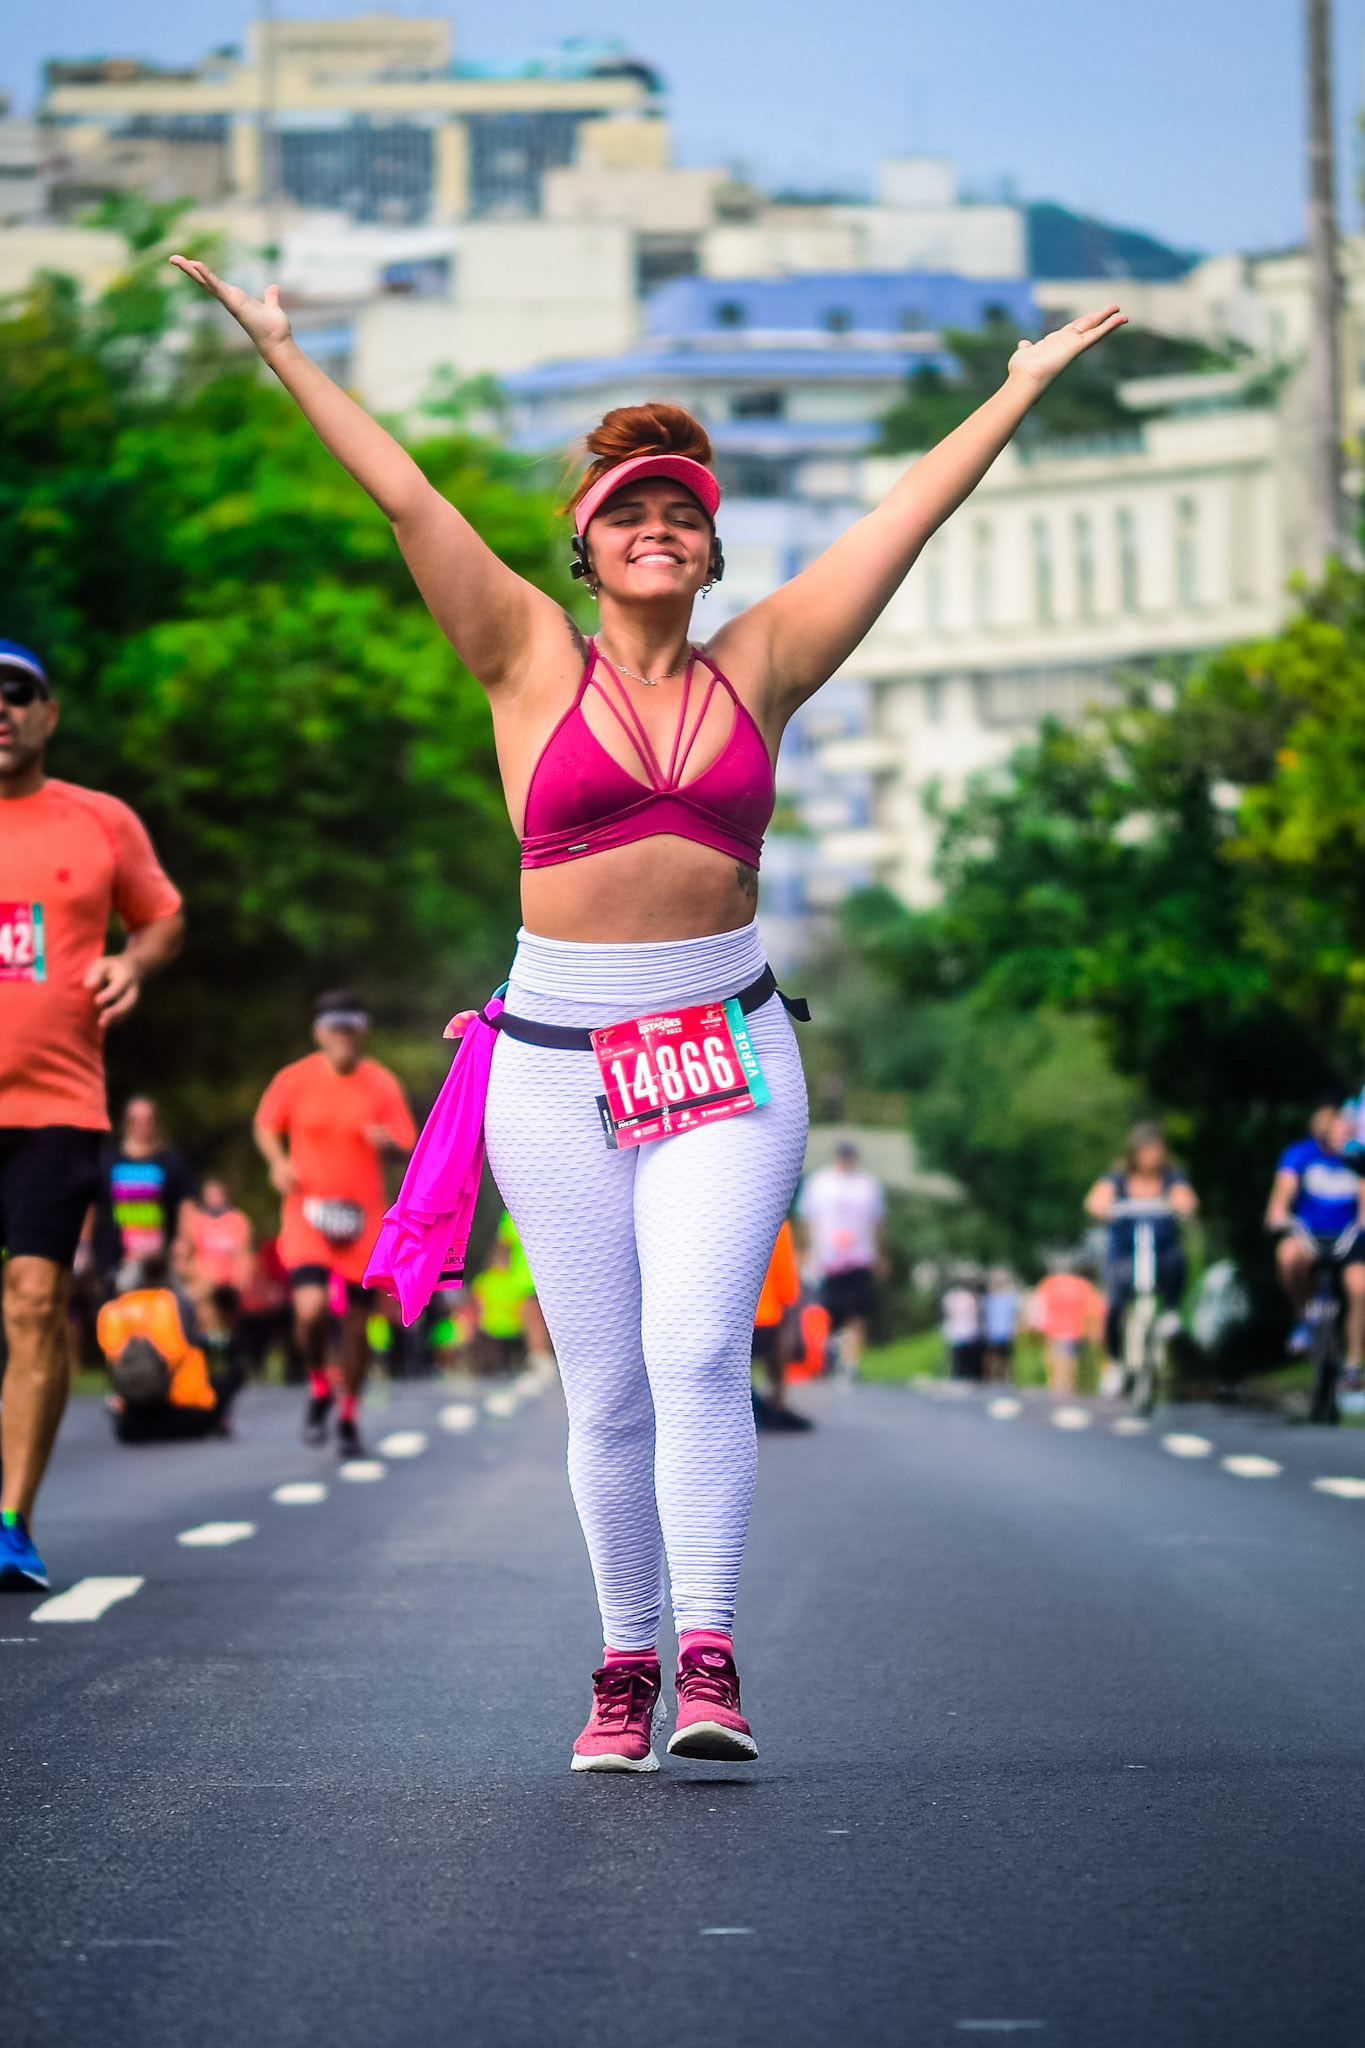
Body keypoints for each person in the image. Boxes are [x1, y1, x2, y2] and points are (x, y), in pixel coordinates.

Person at [173, 241, 1124, 1769]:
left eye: (686, 513)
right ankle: (622, 1663)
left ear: (712, 550)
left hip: (728, 1051)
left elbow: (904, 514)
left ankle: (710, 1657)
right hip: (555, 1062)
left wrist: (1013, 391)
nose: (662, 529)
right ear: (588, 550)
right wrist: (284, 350)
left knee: (697, 1356)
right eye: (634, 514)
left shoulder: (767, 666)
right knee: (604, 1385)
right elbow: (410, 501)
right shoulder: (523, 664)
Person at [0, 640, 183, 1589]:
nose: (0, 709)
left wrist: (133, 963)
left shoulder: (99, 821)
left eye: (15, 694)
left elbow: (159, 915)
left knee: (35, 1306)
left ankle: (11, 1521)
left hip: (55, 1106)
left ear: (47, 714)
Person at [254, 992, 416, 1458]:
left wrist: (389, 1142)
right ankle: (320, 1383)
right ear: (320, 1033)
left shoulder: (380, 1083)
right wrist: (277, 1162)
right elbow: (266, 1124)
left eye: (351, 1029)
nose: (343, 1038)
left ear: (361, 1033)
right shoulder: (296, 1079)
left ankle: (348, 1411)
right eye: (334, 1029)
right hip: (308, 1217)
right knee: (310, 1310)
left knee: (359, 1326)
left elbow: (408, 1141)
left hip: (362, 1222)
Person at [1085, 1122, 1198, 1393]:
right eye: (1147, 1151)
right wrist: (1106, 1208)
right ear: (1134, 1153)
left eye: (1157, 1150)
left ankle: (1171, 1310)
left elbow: (1187, 1201)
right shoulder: (1117, 1179)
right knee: (1113, 1305)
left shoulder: (1172, 1178)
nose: (1153, 1157)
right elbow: (1095, 1202)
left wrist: (1179, 1205)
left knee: (1177, 1263)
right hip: (1125, 1254)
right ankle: (1115, 1361)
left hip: (1161, 1252)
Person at [1266, 1099, 1365, 1389]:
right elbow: (1283, 1191)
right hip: (1309, 1235)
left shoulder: (1356, 1157)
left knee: (1359, 1287)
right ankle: (1304, 1317)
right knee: (1287, 1255)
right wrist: (1277, 1214)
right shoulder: (1300, 1154)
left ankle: (1353, 1364)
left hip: (1349, 1238)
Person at [96, 1253, 237, 1442]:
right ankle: (219, 1420)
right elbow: (199, 1341)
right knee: (232, 1371)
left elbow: (111, 1356)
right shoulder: (176, 1303)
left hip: (131, 1423)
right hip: (186, 1414)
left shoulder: (112, 1311)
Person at [798, 1140, 887, 1375]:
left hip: (859, 1258)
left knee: (856, 1314)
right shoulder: (819, 1183)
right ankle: (826, 1356)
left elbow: (877, 1223)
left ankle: (850, 1361)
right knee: (827, 1313)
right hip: (828, 1260)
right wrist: (807, 1252)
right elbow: (808, 1220)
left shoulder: (867, 1185)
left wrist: (879, 1254)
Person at [92, 1095, 197, 1292]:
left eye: (148, 1119)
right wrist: (84, 1246)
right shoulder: (107, 1161)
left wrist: (185, 1242)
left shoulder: (171, 1162)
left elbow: (186, 1205)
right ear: (126, 1123)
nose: (142, 1125)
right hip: (114, 1259)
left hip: (159, 1262)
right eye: (136, 1119)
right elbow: (91, 1206)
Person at [750, 1218, 811, 1431]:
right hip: (766, 1315)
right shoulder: (776, 1224)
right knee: (775, 1363)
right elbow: (786, 1280)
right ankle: (777, 1404)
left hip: (734, 1314)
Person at [1028, 1264, 1104, 1398]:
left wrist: (1034, 1325)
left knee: (1054, 1358)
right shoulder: (1082, 1285)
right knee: (1070, 1359)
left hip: (1052, 1328)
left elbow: (1038, 1305)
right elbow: (1093, 1309)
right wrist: (1092, 1330)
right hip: (1074, 1328)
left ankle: (1057, 1386)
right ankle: (1068, 1386)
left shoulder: (1050, 1283)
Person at [188, 1177, 254, 1298]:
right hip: (205, 1279)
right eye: (210, 1195)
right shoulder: (197, 1220)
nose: (214, 1199)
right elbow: (189, 1253)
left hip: (230, 1280)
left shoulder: (237, 1219)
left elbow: (244, 1254)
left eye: (217, 1194)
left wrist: (241, 1280)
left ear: (225, 1195)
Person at [942, 1276, 984, 1380]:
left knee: (959, 1358)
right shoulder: (968, 1297)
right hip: (963, 1331)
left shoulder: (954, 1297)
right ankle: (960, 1376)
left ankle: (958, 1376)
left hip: (963, 1331)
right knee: (961, 1358)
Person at [982, 1269, 1018, 1381]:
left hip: (1000, 1332)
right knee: (996, 1357)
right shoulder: (991, 1299)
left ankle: (1000, 1378)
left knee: (1001, 1358)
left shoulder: (1006, 1298)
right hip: (996, 1332)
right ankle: (995, 1378)